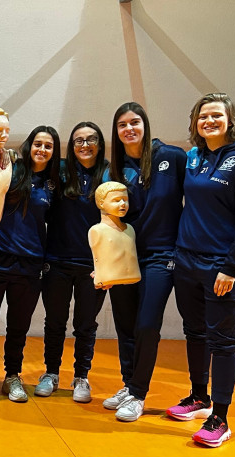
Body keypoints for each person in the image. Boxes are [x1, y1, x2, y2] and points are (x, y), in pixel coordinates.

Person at [168, 93, 235, 447]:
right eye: (202, 116)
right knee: (194, 331)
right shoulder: (195, 156)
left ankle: (220, 418)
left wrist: (233, 266)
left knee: (222, 341)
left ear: (229, 120)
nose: (208, 121)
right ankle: (199, 396)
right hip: (187, 260)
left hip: (222, 266)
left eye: (215, 116)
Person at [99, 102, 187, 421]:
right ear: (117, 132)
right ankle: (128, 383)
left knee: (147, 324)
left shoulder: (172, 157)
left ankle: (138, 393)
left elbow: (201, 188)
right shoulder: (114, 171)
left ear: (145, 125)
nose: (129, 129)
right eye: (122, 125)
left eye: (134, 122)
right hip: (125, 257)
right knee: (125, 325)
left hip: (162, 256)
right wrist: (106, 265)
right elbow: (108, 222)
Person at [0, 126, 59, 404]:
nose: (42, 150)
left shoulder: (53, 184)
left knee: (18, 326)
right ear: (29, 145)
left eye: (48, 146)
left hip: (31, 263)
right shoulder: (10, 169)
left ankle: (12, 376)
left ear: (54, 152)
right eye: (38, 144)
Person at [37, 122, 107, 403]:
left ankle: (81, 376)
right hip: (56, 260)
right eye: (78, 140)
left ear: (100, 144)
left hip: (94, 265)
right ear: (71, 145)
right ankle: (51, 373)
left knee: (86, 324)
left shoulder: (109, 173)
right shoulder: (60, 170)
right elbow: (32, 163)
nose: (85, 145)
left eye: (91, 139)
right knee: (55, 321)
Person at [88, 182, 140, 287]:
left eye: (125, 200)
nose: (122, 204)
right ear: (101, 203)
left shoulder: (130, 229)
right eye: (116, 200)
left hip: (134, 277)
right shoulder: (97, 230)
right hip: (108, 278)